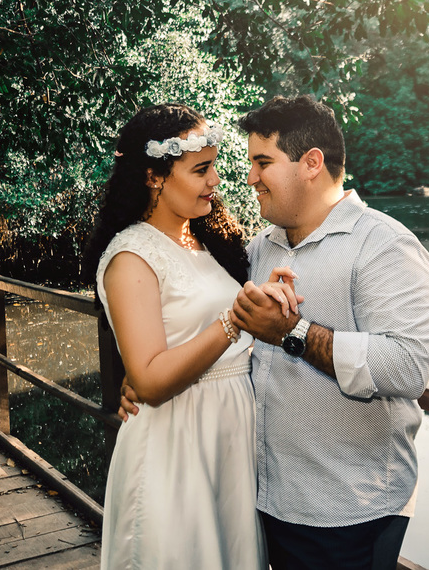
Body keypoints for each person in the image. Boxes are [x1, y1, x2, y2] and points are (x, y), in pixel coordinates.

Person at [121, 95, 429, 570]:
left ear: (311, 164)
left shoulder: (385, 246)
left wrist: (295, 331)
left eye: (262, 162)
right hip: (263, 500)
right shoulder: (259, 250)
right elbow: (219, 329)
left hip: (346, 510)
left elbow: (408, 368)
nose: (248, 178)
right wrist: (144, 372)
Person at [87, 103, 297, 570]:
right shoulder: (131, 256)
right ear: (154, 176)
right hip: (176, 445)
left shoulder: (207, 241)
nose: (216, 181)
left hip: (229, 441)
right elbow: (151, 381)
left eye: (215, 167)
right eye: (201, 170)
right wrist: (235, 320)